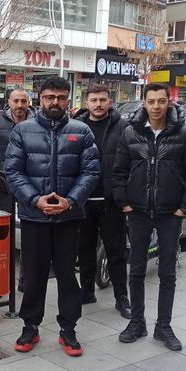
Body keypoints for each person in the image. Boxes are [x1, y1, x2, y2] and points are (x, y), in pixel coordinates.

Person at [4, 75, 99, 356]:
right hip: (34, 217)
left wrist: (70, 201)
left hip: (69, 218)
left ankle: (68, 329)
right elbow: (13, 171)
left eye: (60, 97)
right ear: (40, 99)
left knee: (68, 275)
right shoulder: (22, 131)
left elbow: (91, 172)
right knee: (33, 275)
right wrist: (36, 200)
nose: (55, 102)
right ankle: (30, 326)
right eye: (49, 97)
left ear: (68, 100)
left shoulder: (81, 131)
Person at [112, 82, 186, 351]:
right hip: (138, 212)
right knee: (137, 270)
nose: (156, 107)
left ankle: (163, 326)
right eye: (151, 101)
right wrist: (124, 203)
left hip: (170, 214)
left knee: (167, 272)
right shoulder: (130, 132)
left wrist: (184, 207)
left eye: (161, 101)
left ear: (169, 102)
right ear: (144, 102)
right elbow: (118, 172)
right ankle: (137, 322)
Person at [74, 84, 131, 318]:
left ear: (110, 102)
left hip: (111, 201)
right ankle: (86, 291)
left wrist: (123, 194)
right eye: (94, 100)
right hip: (83, 200)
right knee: (84, 249)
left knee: (116, 251)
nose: (98, 104)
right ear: (86, 102)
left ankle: (121, 297)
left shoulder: (123, 127)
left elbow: (131, 161)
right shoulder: (76, 126)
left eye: (103, 100)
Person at [0, 88, 35, 212]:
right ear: (9, 102)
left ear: (28, 102)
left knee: (29, 221)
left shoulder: (37, 124)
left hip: (31, 185)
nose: (19, 105)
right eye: (16, 101)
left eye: (23, 101)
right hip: (4, 185)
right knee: (3, 220)